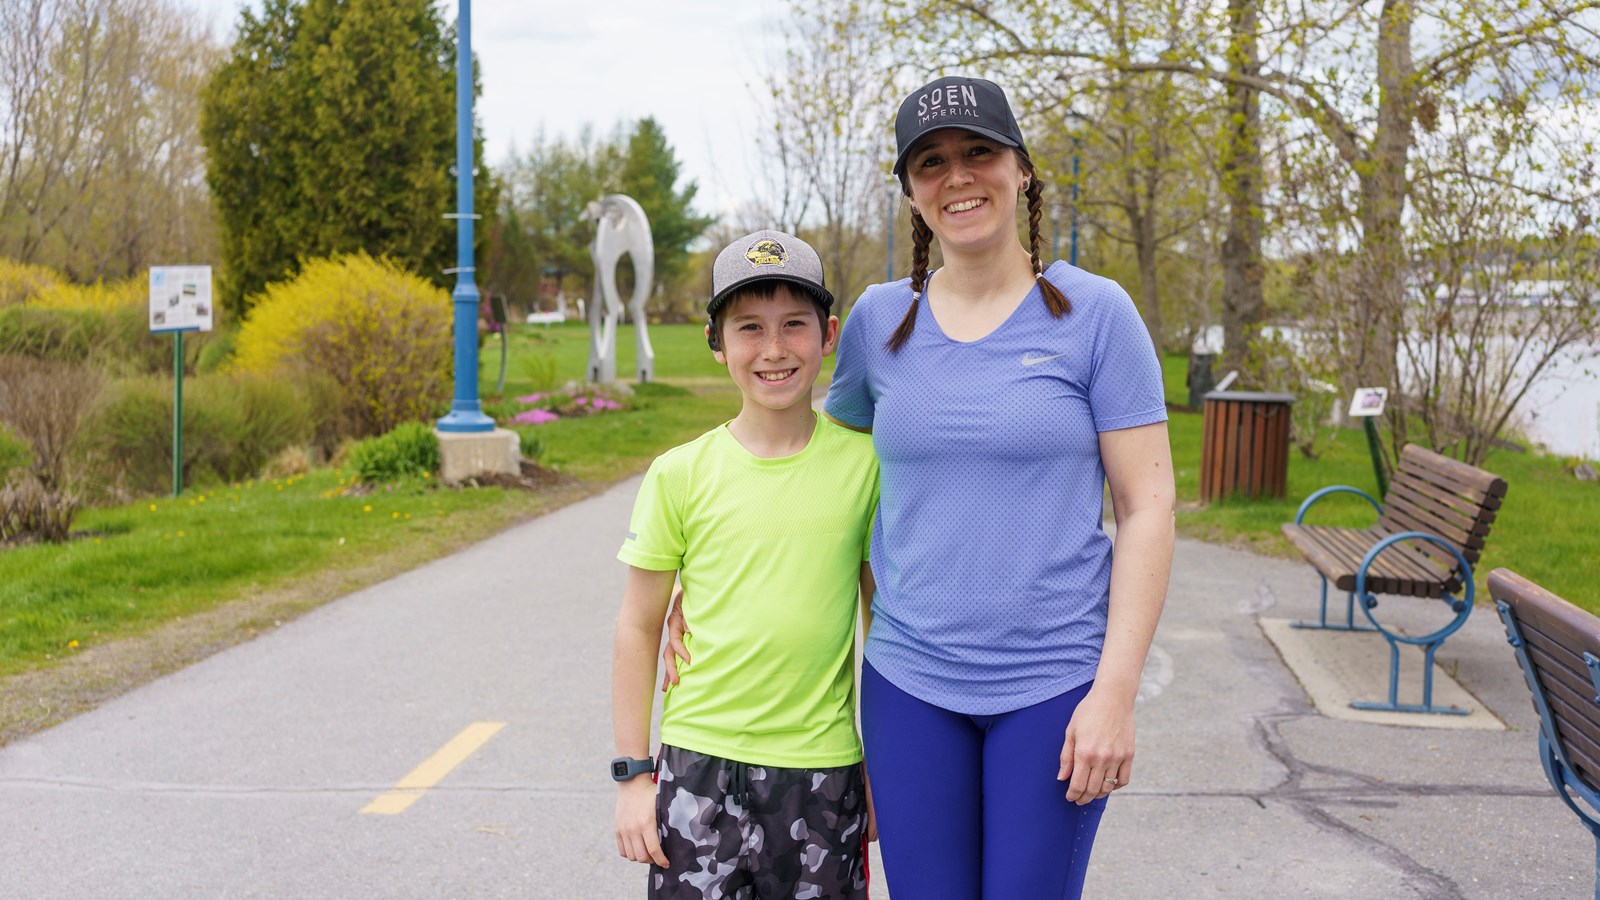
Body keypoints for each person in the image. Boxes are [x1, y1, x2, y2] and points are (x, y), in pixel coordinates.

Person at [666, 76, 1175, 898]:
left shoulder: (1096, 315)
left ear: (1022, 170)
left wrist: (1115, 693)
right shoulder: (877, 321)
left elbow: (1148, 507)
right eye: (931, 163)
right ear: (910, 190)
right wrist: (704, 583)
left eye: (979, 153)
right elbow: (818, 473)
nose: (958, 177)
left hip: (1052, 686)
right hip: (910, 688)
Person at [611, 230, 880, 899]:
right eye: (749, 328)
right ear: (716, 341)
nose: (773, 349)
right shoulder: (679, 474)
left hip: (823, 772)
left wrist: (884, 764)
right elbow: (639, 627)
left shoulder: (866, 468)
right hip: (698, 770)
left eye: (795, 325)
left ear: (829, 334)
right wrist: (633, 777)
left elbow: (884, 623)